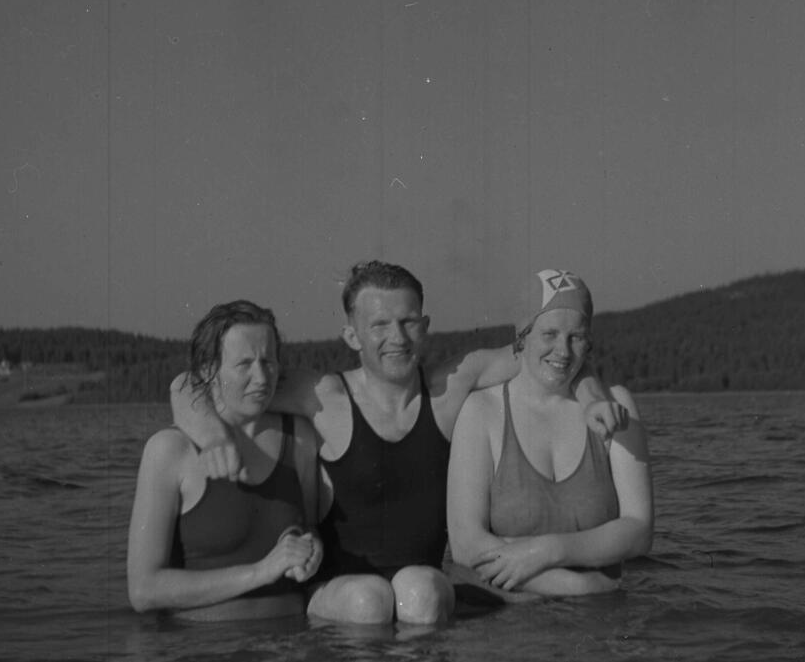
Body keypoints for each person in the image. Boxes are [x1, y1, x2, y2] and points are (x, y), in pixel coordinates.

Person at [169, 261, 626, 625]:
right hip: (339, 592)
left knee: (419, 592)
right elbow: (189, 384)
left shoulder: (450, 387)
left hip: (424, 586)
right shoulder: (323, 396)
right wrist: (212, 437)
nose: (397, 338)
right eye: (380, 325)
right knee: (369, 600)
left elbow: (553, 354)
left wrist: (591, 397)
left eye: (408, 322)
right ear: (352, 335)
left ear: (425, 326)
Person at [446, 270, 653, 599]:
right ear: (522, 337)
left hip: (596, 623)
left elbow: (639, 532)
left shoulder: (615, 405)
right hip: (523, 616)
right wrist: (577, 586)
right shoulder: (481, 410)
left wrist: (546, 551)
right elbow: (466, 545)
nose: (563, 351)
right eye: (550, 334)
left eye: (576, 337)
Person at [127, 300, 324, 621]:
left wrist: (312, 549)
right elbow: (143, 591)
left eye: (268, 361)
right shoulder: (169, 450)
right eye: (244, 364)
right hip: (204, 642)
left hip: (295, 639)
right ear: (209, 371)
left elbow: (311, 526)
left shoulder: (299, 437)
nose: (261, 377)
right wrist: (261, 571)